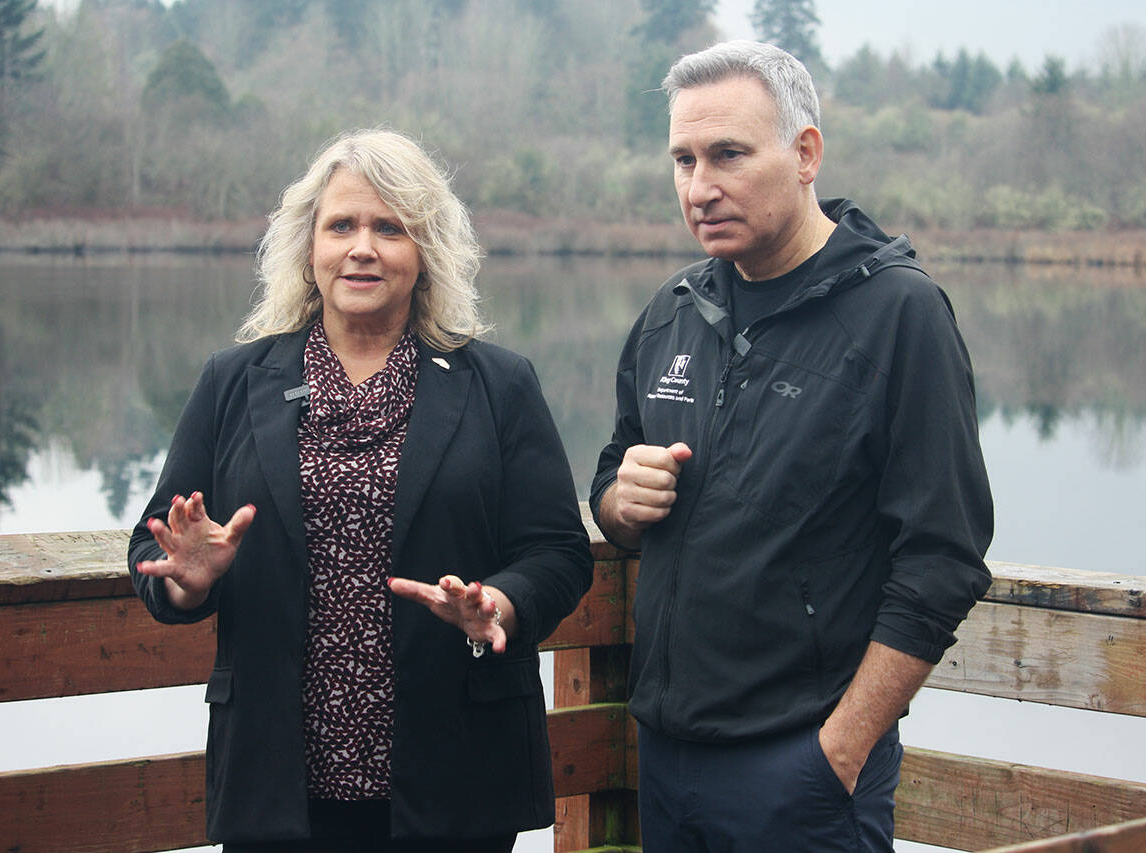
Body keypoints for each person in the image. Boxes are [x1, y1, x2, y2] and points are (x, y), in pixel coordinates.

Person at [128, 128, 593, 851]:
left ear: (425, 252)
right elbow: (157, 544)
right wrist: (188, 580)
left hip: (457, 774)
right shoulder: (232, 380)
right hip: (278, 784)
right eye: (341, 224)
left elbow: (557, 551)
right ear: (308, 247)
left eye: (390, 227)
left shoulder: (499, 384)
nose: (362, 247)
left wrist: (497, 601)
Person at [590, 41, 994, 852]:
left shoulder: (898, 316)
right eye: (683, 159)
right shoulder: (673, 310)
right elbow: (614, 470)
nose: (699, 188)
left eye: (728, 155)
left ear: (805, 153)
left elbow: (943, 558)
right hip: (668, 757)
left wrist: (839, 749)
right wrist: (618, 501)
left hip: (802, 768)